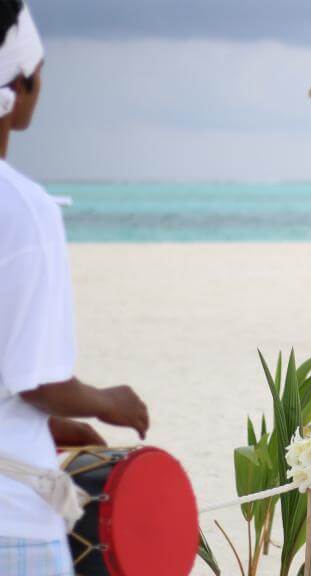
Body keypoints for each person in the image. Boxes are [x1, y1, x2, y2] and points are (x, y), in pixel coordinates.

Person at [0, 3, 149, 573]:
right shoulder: (24, 208)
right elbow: (39, 382)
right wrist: (109, 402)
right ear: (23, 83)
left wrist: (60, 426)